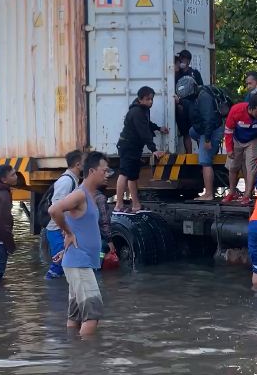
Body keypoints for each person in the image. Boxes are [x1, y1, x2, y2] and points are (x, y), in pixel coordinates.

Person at [48, 151, 112, 336]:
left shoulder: (90, 196)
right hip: (79, 263)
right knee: (93, 314)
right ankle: (89, 361)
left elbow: (82, 227)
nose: (107, 174)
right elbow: (54, 209)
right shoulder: (80, 195)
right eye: (105, 170)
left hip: (78, 261)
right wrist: (67, 233)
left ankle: (74, 355)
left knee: (75, 316)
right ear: (92, 171)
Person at [115, 86, 168, 214]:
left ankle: (136, 205)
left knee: (132, 176)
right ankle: (119, 205)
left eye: (152, 99)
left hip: (132, 147)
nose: (150, 102)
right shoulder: (137, 112)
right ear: (140, 99)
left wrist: (158, 128)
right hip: (128, 146)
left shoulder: (143, 110)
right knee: (124, 173)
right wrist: (153, 149)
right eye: (147, 99)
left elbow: (147, 124)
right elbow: (143, 132)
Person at [223, 95, 257, 206]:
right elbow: (228, 131)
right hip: (237, 139)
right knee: (233, 166)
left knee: (251, 168)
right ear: (250, 109)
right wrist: (229, 149)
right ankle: (231, 192)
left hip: (254, 140)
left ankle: (247, 195)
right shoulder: (236, 110)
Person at [43, 149, 84, 280]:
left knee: (66, 263)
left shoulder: (73, 180)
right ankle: (52, 292)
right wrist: (64, 229)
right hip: (57, 229)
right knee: (60, 264)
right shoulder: (66, 181)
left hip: (63, 229)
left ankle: (60, 293)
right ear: (78, 164)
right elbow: (56, 208)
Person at [187, 79, 226, 201]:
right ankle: (209, 150)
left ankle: (208, 194)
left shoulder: (203, 98)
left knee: (205, 162)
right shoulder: (201, 92)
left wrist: (207, 140)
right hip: (207, 129)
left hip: (211, 130)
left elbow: (208, 120)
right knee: (191, 132)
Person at [175, 50, 204, 153]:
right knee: (185, 132)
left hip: (193, 105)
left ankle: (202, 153)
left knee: (197, 130)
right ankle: (189, 154)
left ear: (188, 60)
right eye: (180, 59)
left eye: (183, 59)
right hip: (181, 107)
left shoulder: (195, 73)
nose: (181, 61)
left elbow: (201, 88)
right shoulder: (176, 73)